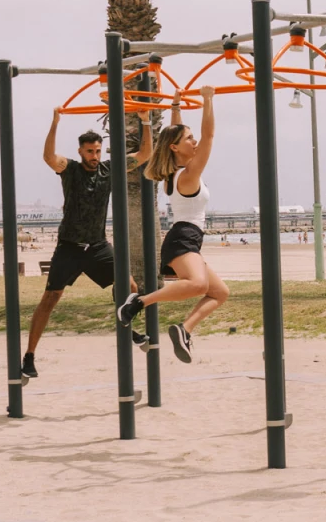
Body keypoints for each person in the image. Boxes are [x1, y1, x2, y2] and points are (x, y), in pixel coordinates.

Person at [20, 111, 151, 381]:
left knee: (131, 287)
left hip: (97, 246)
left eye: (98, 151)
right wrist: (54, 122)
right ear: (80, 151)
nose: (95, 155)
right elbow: (48, 157)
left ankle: (128, 332)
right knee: (51, 298)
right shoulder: (71, 169)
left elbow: (145, 154)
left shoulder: (109, 169)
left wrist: (147, 121)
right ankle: (29, 356)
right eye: (90, 151)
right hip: (69, 246)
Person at [119, 87, 224, 362]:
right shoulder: (187, 175)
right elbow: (210, 136)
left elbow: (175, 135)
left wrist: (176, 105)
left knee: (219, 293)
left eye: (193, 137)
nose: (196, 142)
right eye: (190, 139)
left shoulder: (171, 174)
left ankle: (184, 329)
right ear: (176, 148)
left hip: (187, 238)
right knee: (199, 286)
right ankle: (138, 302)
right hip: (183, 238)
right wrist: (208, 100)